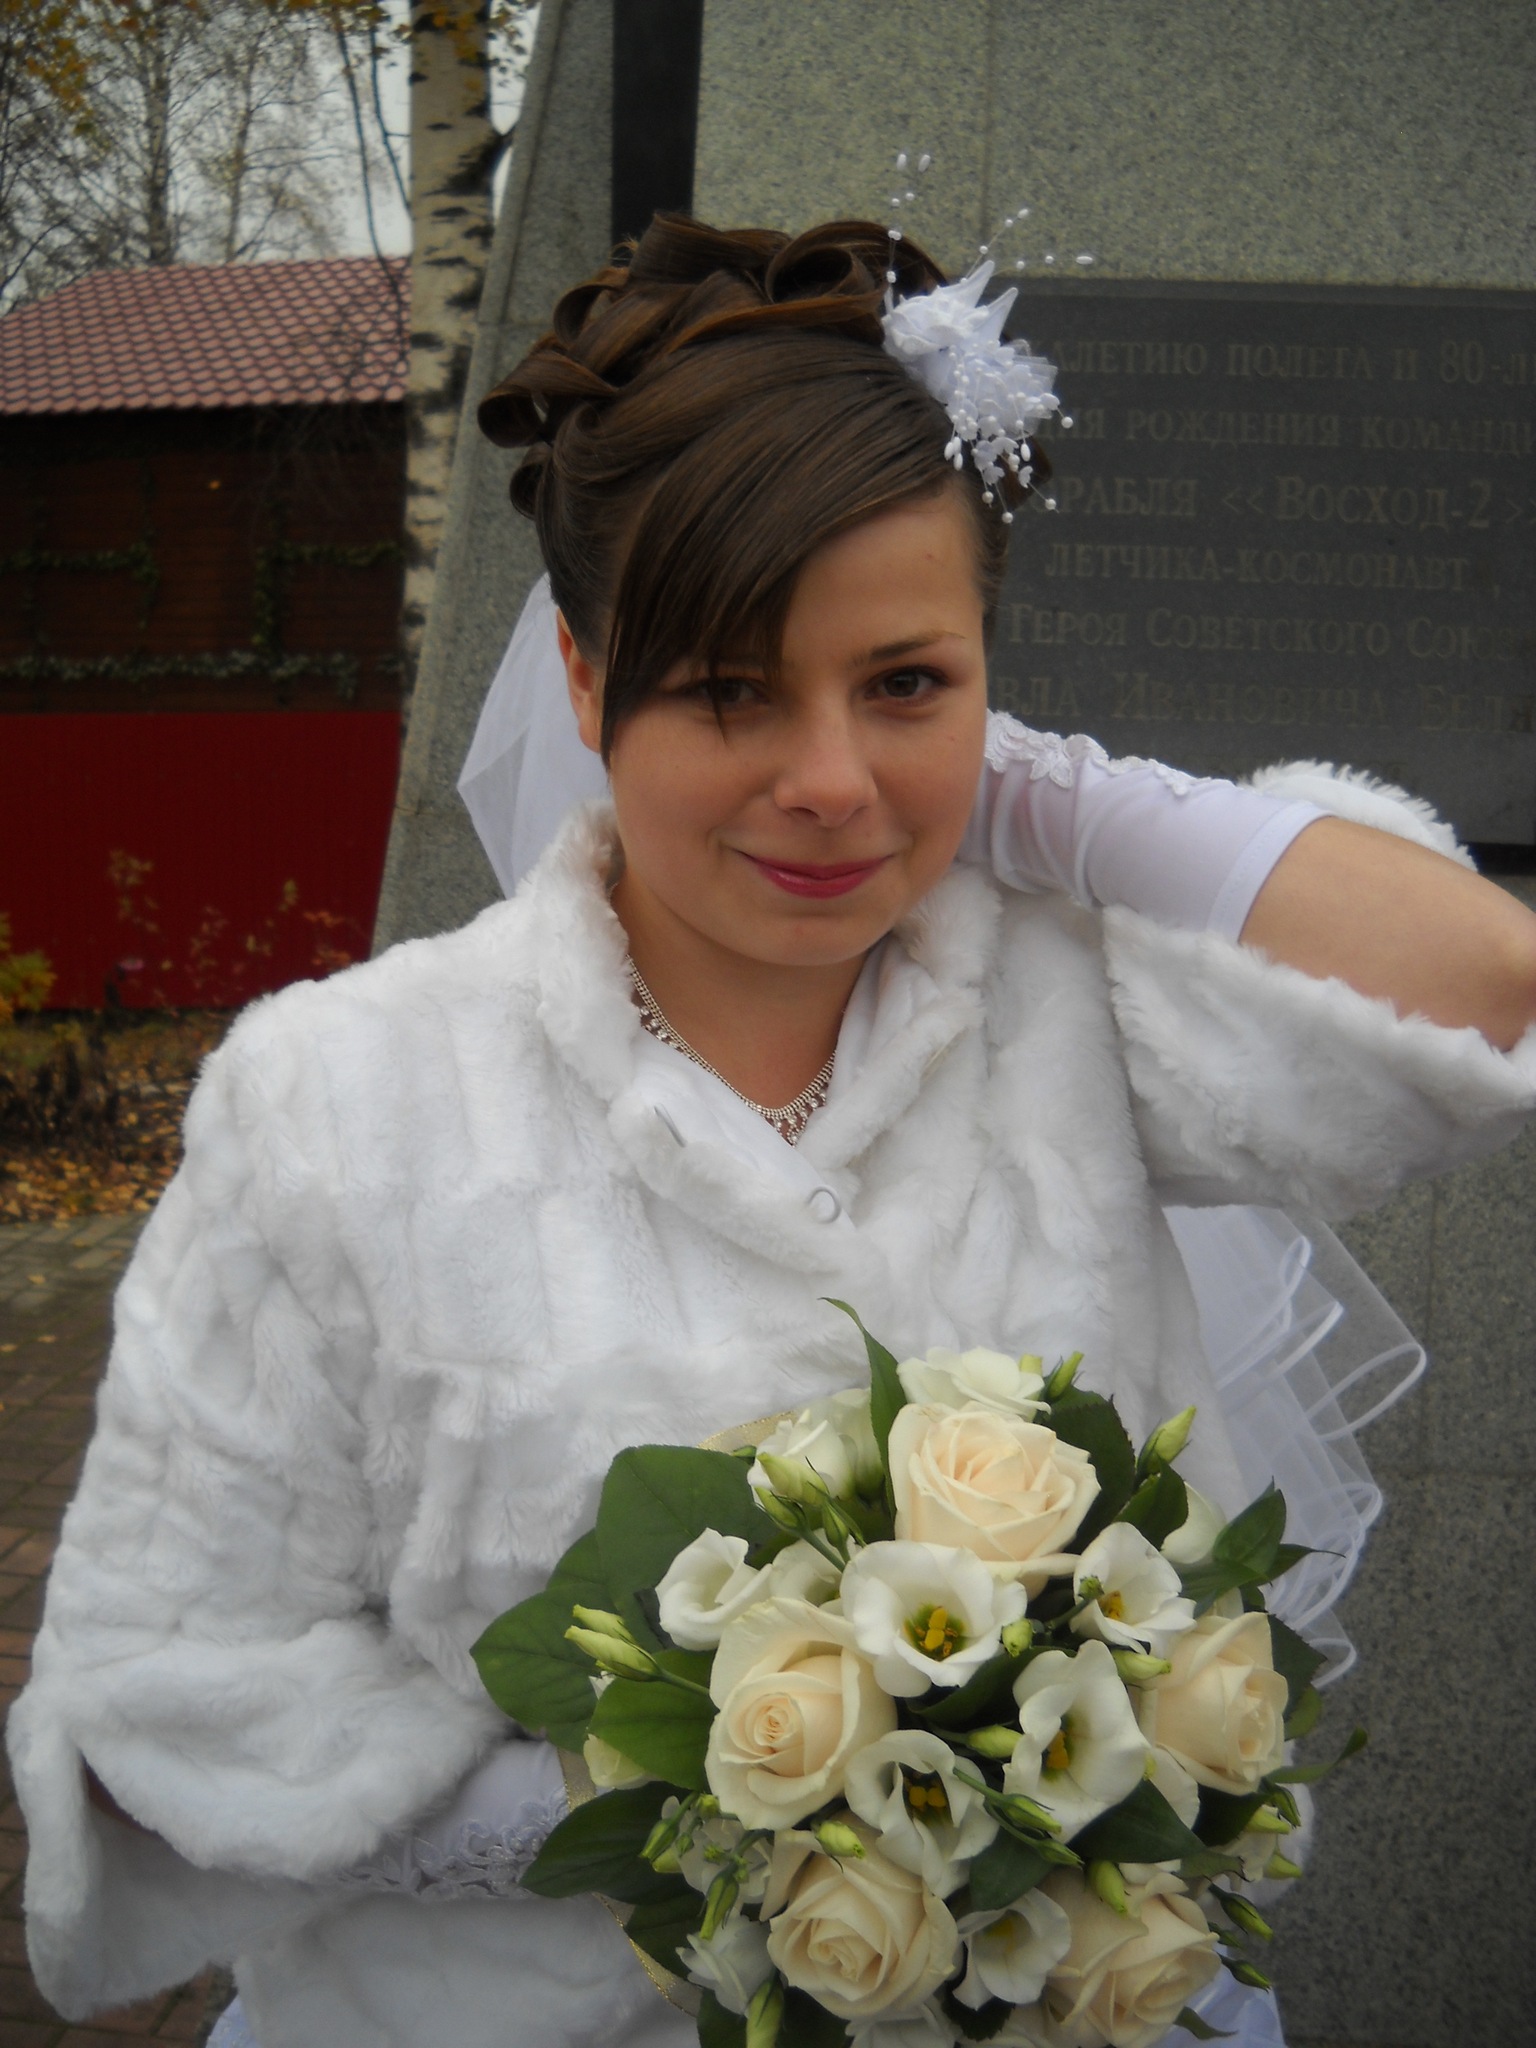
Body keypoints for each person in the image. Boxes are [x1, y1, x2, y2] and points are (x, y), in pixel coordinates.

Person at [9, 216, 1536, 2048]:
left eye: (905, 680)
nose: (828, 783)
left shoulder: (1071, 1007)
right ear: (585, 683)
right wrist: (717, 1786)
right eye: (733, 687)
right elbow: (164, 1700)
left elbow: (1480, 984)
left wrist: (1040, 797)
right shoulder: (344, 1099)